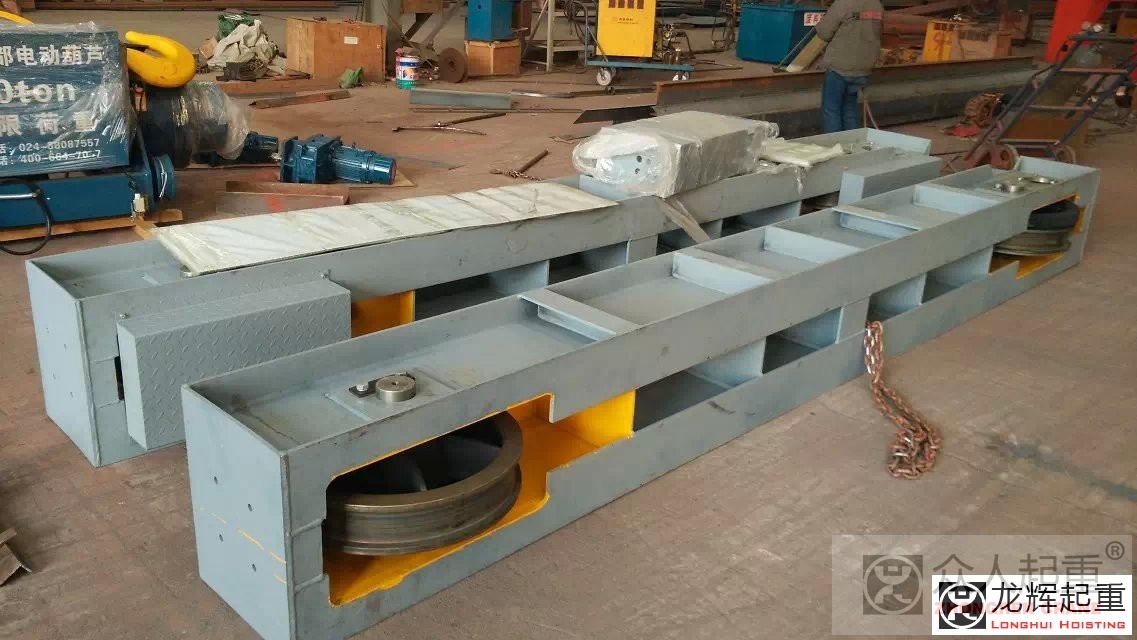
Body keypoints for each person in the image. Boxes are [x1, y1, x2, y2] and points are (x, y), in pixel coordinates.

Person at [814, 0, 884, 133]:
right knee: (850, 108)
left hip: (840, 66)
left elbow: (824, 32)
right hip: (864, 66)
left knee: (832, 110)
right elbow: (879, 33)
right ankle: (851, 143)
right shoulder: (877, 5)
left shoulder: (843, 3)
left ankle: (835, 144)